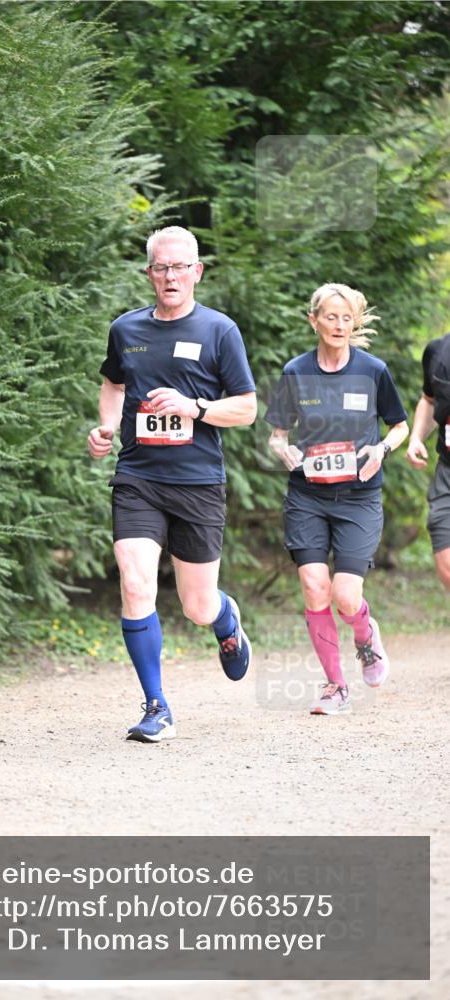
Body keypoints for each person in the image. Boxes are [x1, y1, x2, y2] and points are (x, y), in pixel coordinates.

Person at [87, 226, 257, 742]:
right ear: (149, 274)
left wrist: (195, 407)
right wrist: (107, 427)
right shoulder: (126, 330)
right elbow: (114, 384)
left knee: (196, 606)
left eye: (180, 267)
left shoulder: (219, 330)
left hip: (197, 482)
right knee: (135, 581)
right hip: (138, 477)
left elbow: (247, 408)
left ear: (197, 271)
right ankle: (156, 706)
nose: (170, 276)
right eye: (161, 267)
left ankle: (226, 618)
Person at [265, 283, 408, 716]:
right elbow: (277, 434)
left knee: (346, 596)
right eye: (330, 317)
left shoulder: (373, 370)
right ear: (314, 321)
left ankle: (365, 636)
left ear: (356, 323)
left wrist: (381, 449)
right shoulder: (295, 371)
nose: (339, 325)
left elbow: (398, 426)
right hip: (307, 496)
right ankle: (335, 685)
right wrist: (283, 450)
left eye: (347, 318)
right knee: (314, 587)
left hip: (359, 497)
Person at [406, 333, 450, 592]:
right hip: (447, 473)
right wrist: (416, 438)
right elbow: (429, 400)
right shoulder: (437, 350)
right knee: (446, 564)